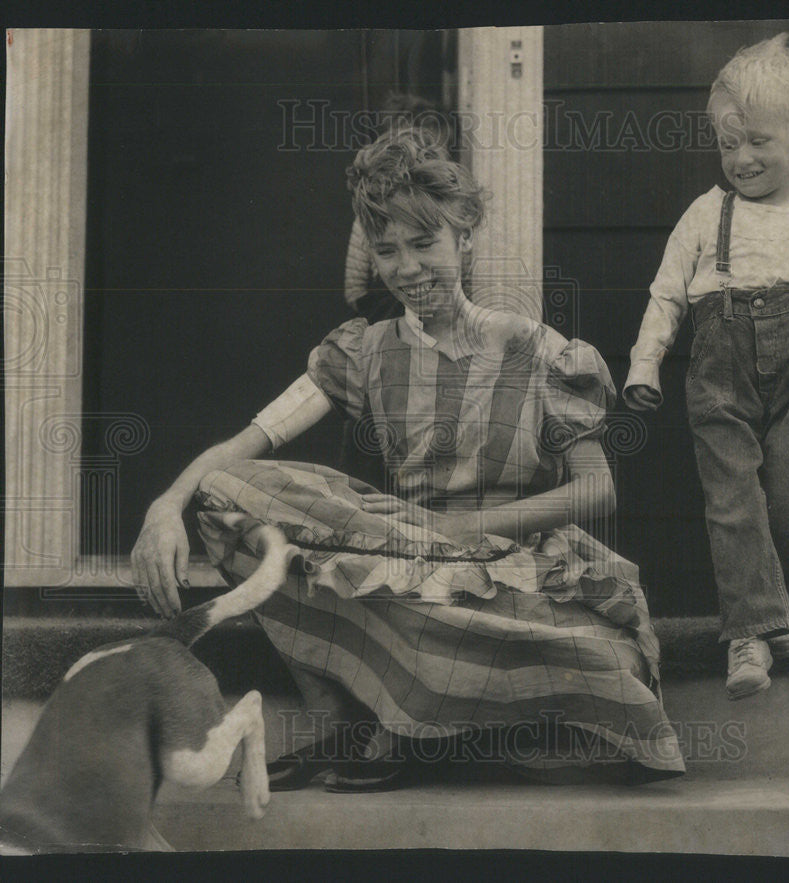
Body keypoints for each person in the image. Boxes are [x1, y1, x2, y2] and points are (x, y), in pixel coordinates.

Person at [132, 128, 685, 790]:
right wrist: (165, 504)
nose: (407, 268)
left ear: (465, 235)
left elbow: (598, 491)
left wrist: (475, 530)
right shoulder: (364, 351)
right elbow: (244, 446)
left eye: (424, 244)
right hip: (409, 555)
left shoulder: (543, 352)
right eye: (387, 250)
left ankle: (413, 719)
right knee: (227, 492)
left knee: (586, 657)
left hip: (515, 566)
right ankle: (346, 725)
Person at [623, 34, 789, 700]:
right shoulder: (704, 215)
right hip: (720, 374)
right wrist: (645, 362)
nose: (741, 159)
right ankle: (748, 633)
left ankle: (776, 619)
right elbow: (665, 291)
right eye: (728, 143)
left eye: (759, 143)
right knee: (734, 503)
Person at [343, 93, 474, 324]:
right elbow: (354, 288)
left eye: (429, 153)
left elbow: (469, 279)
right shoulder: (371, 216)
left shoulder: (452, 214)